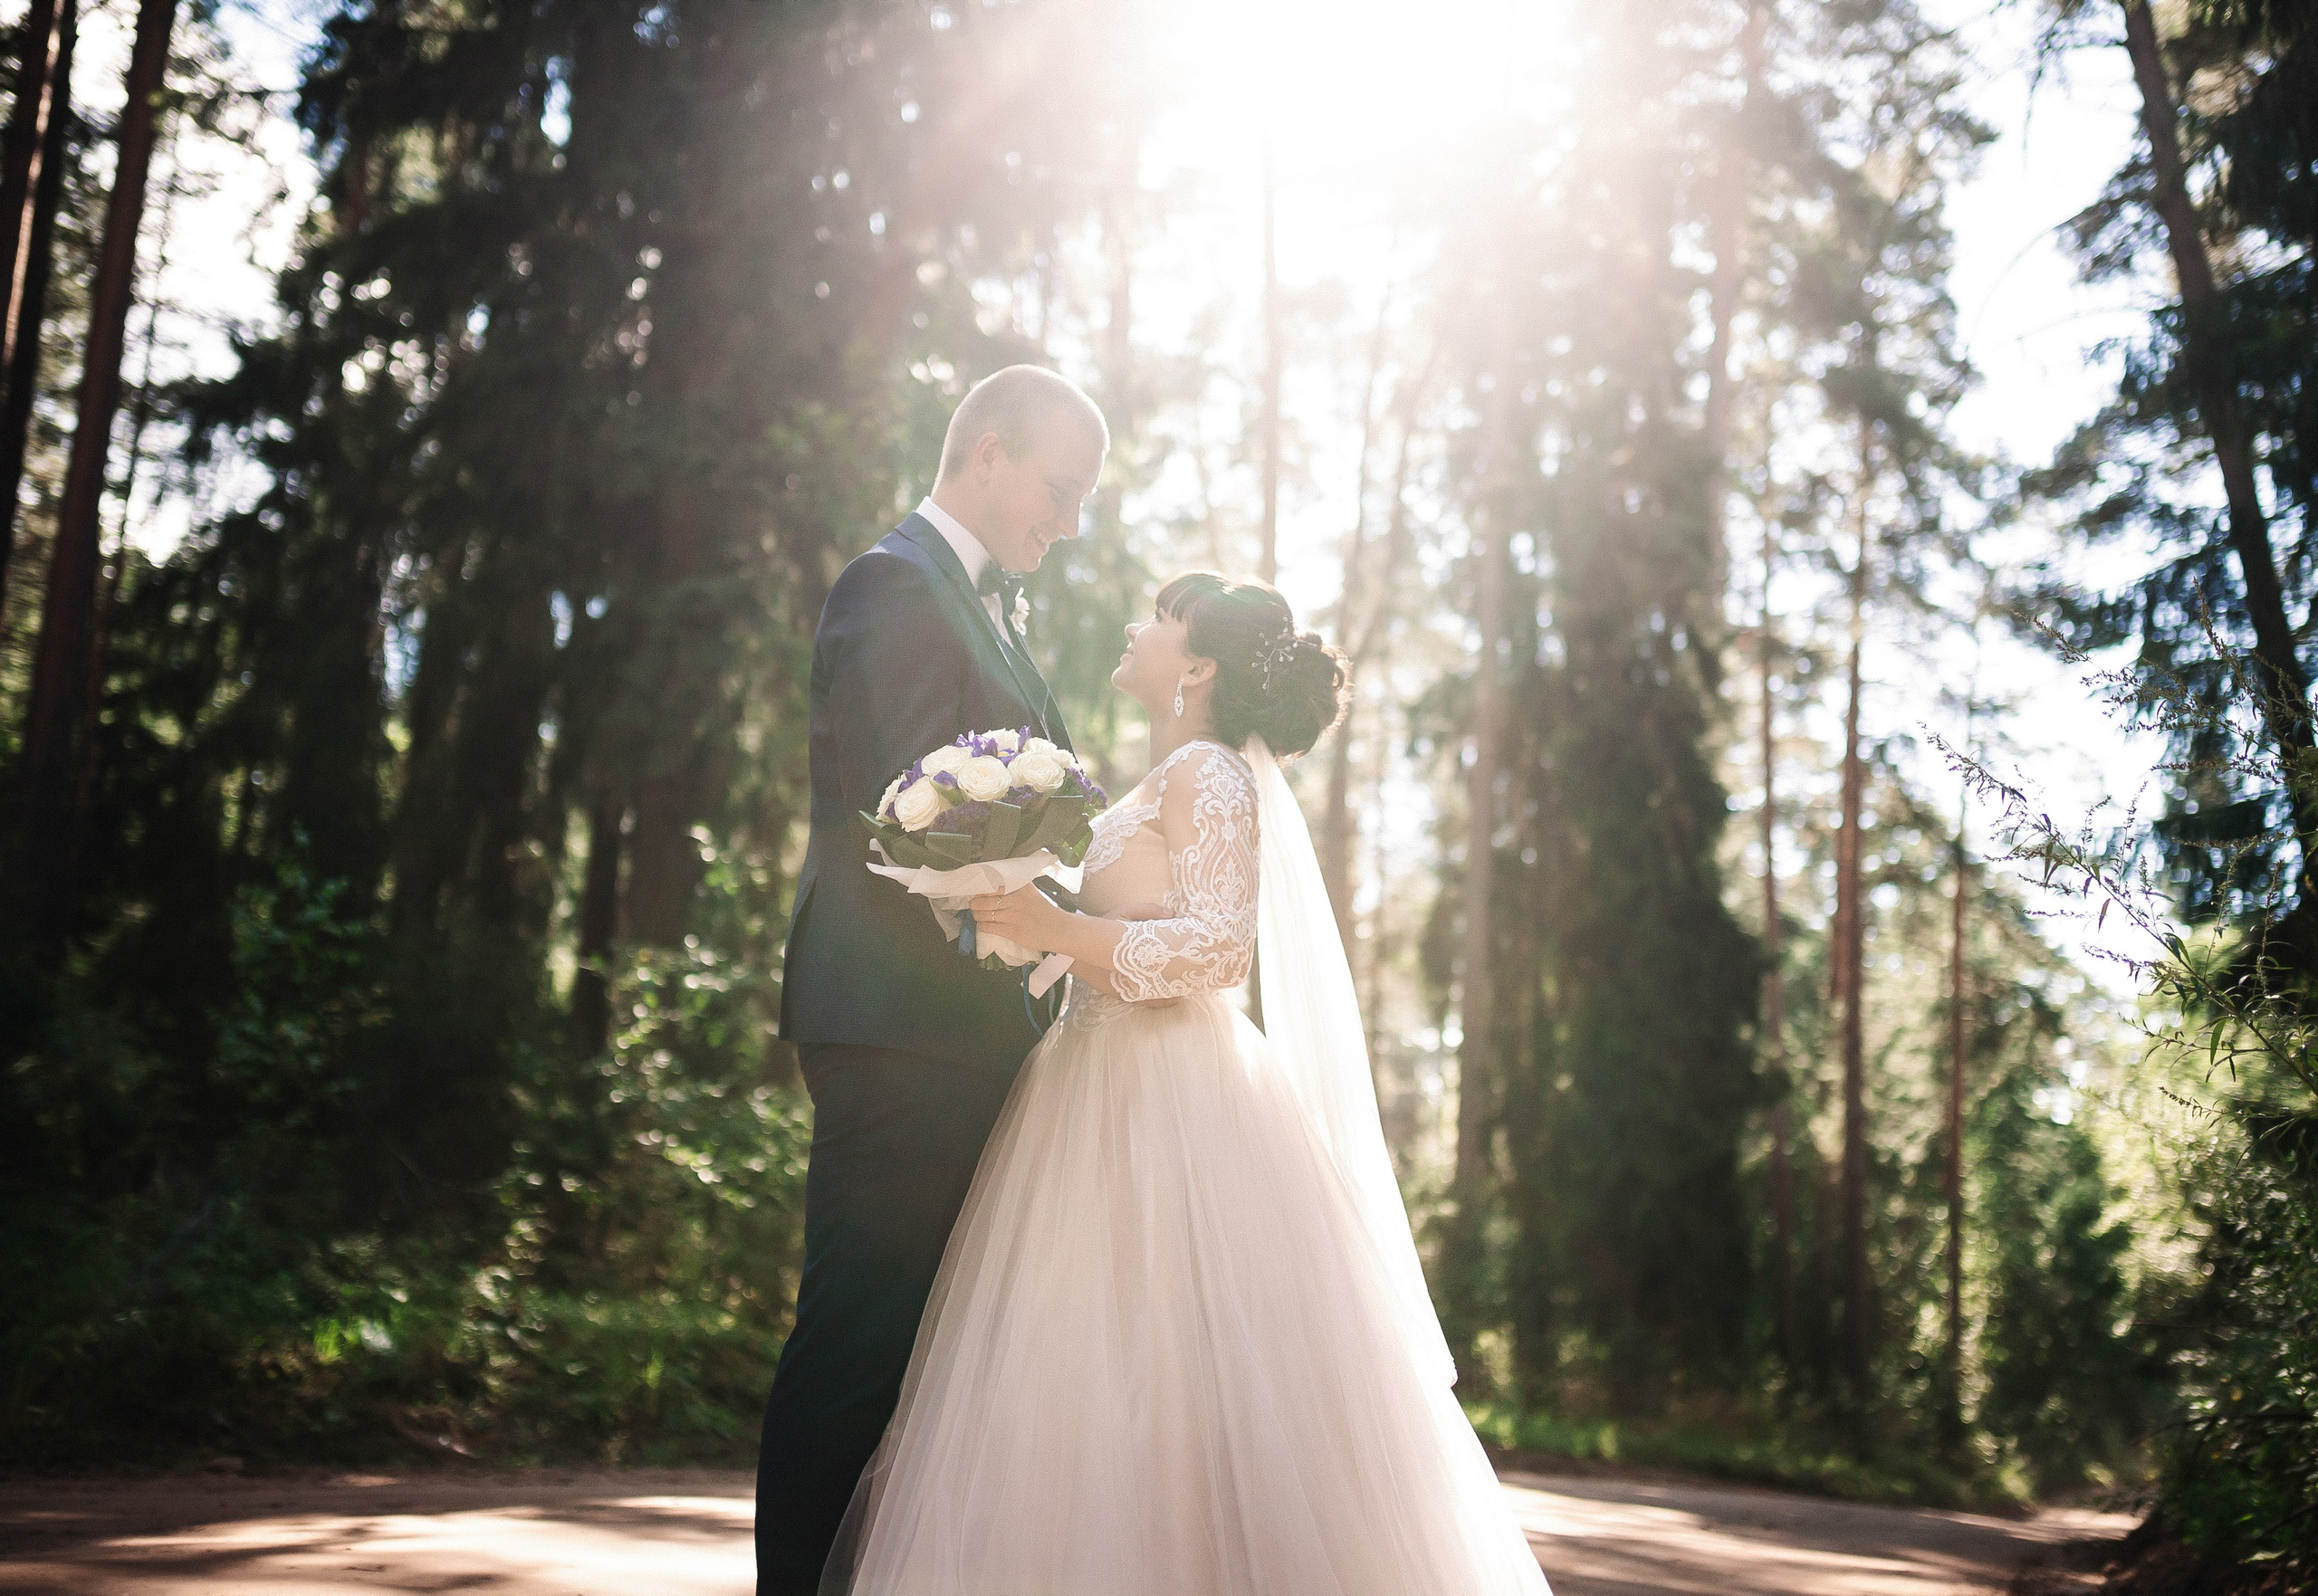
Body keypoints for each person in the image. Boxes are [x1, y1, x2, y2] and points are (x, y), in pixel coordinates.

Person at [815, 573, 1554, 1595]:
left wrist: (1060, 929)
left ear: (1197, 664)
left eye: (1158, 618)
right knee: (1087, 1376)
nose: (1134, 623)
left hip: (1168, 1091)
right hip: (1088, 1075)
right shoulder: (1157, 778)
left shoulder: (1207, 772)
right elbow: (1125, 927)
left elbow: (1215, 950)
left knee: (1166, 1376)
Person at [757, 364, 1108, 1595]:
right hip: (902, 1027)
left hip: (966, 1033)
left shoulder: (983, 604)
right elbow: (904, 810)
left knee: (924, 1364)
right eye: (1059, 491)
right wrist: (1034, 933)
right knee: (856, 1350)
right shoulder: (897, 583)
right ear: (990, 449)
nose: (1064, 522)